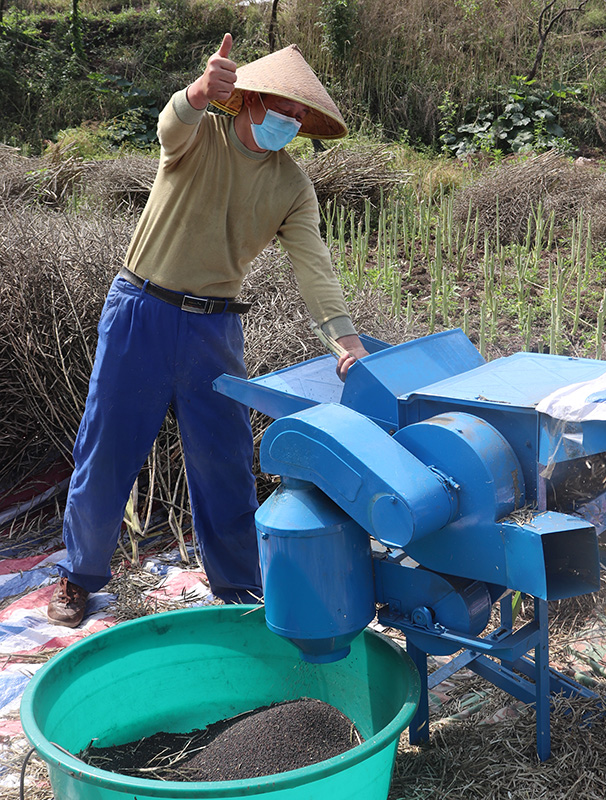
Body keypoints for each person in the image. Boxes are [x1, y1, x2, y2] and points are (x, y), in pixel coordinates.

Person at [47, 35, 369, 627]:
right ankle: (78, 577)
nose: (290, 120)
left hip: (215, 329)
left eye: (299, 113)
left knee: (224, 462)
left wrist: (344, 342)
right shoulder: (202, 137)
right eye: (282, 106)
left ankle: (240, 587)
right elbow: (172, 125)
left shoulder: (292, 185)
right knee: (107, 449)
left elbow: (313, 265)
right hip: (142, 310)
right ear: (247, 100)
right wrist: (197, 92)